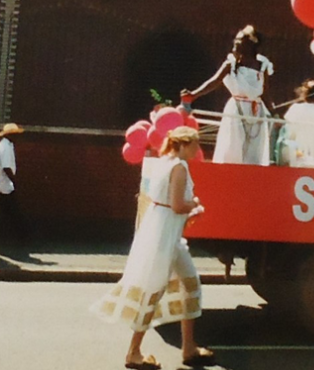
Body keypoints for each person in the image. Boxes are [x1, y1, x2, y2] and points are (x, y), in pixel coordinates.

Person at [90, 126, 215, 370]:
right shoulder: (179, 166)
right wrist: (196, 204)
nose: (197, 149)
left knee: (190, 284)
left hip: (166, 235)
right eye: (195, 145)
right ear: (183, 144)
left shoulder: (163, 162)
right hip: (165, 239)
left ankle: (188, 348)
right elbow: (178, 205)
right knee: (153, 291)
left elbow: (166, 204)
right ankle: (134, 353)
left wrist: (184, 212)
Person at [182, 25, 275, 165]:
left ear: (251, 44)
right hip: (236, 109)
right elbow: (214, 81)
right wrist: (193, 95)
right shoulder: (230, 64)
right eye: (235, 40)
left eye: (240, 40)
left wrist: (273, 111)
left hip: (256, 111)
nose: (235, 43)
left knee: (253, 148)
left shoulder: (262, 65)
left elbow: (265, 91)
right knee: (233, 146)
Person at [0, 123, 30, 242]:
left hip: (3, 184)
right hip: (4, 185)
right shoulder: (5, 147)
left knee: (9, 212)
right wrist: (15, 182)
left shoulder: (6, 145)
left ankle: (15, 236)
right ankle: (19, 238)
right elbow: (6, 167)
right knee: (13, 212)